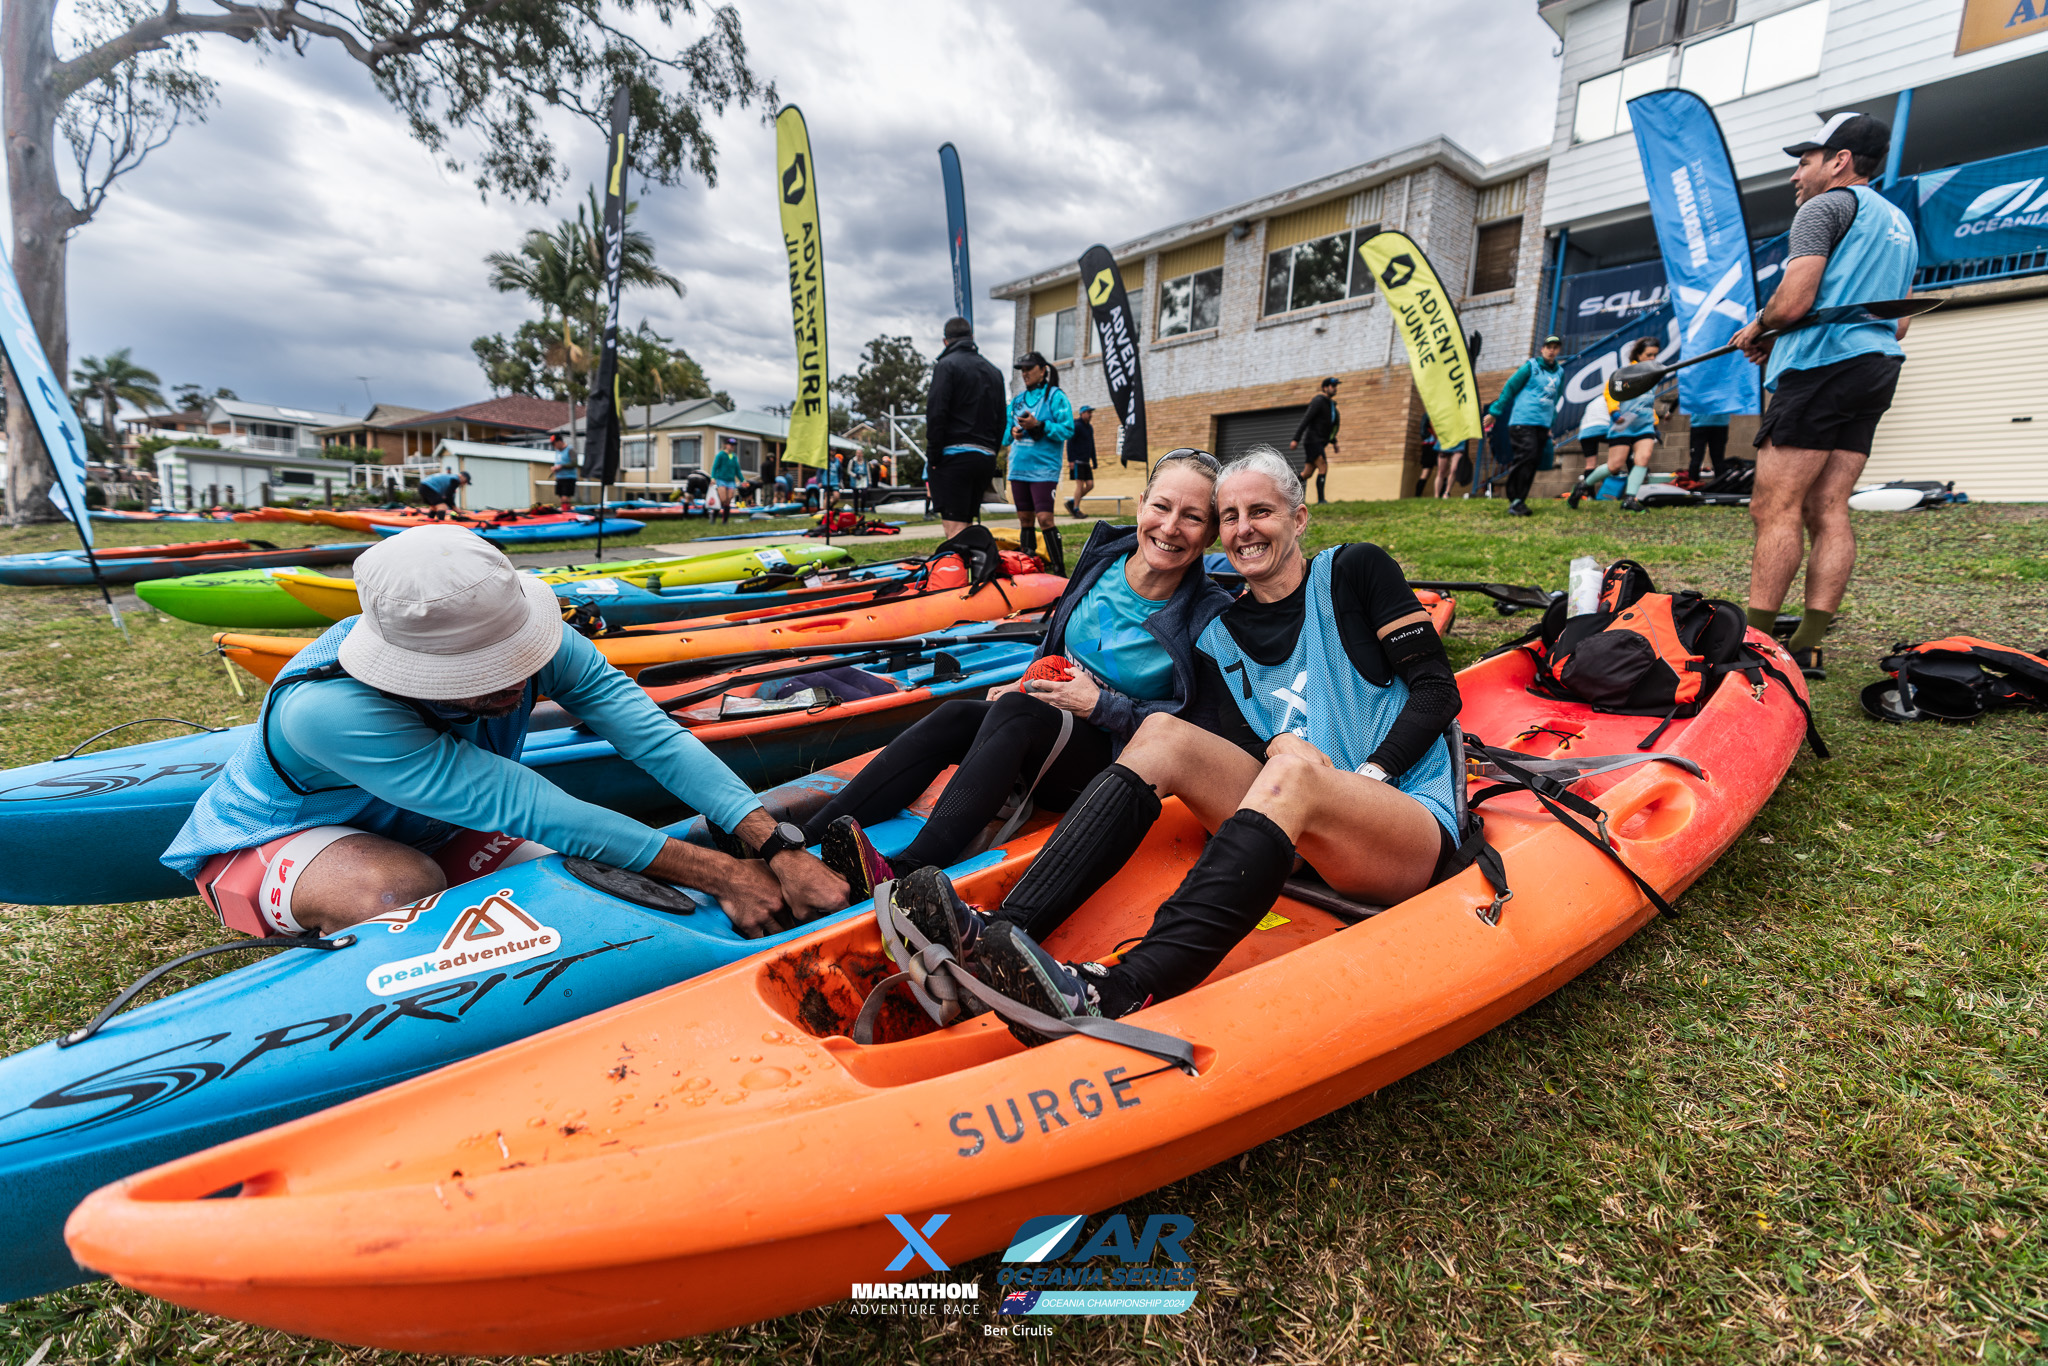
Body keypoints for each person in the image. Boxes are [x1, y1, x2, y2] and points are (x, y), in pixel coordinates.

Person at [891, 447, 1464, 1044]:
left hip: (1402, 823)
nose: (1245, 529)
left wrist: (1366, 777)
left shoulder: (1353, 571)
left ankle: (1118, 989)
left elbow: (1435, 693)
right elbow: (1237, 750)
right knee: (1163, 734)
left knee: (1293, 769)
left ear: (1298, 519)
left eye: (1261, 510)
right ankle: (998, 933)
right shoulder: (1220, 635)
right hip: (1298, 830)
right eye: (1232, 515)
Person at [162, 527, 849, 938]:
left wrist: (775, 844)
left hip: (431, 824)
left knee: (609, 903)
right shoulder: (328, 711)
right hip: (267, 845)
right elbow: (533, 806)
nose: (515, 681)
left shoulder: (531, 636)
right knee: (397, 891)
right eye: (483, 671)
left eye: (516, 657)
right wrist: (727, 873)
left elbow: (651, 735)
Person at [804, 451, 1230, 890]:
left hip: (1114, 762)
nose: (1171, 526)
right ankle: (807, 837)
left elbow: (1197, 737)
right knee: (957, 715)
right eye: (1162, 506)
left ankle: (910, 870)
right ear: (1142, 505)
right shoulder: (1104, 555)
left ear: (1212, 532)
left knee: (1018, 714)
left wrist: (1101, 705)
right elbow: (1053, 643)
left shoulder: (1209, 615)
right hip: (1047, 725)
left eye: (1193, 516)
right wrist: (1023, 680)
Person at [1730, 112, 1918, 679]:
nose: (1795, 175)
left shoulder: (1826, 207)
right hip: (1876, 365)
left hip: (1821, 368)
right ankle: (1808, 643)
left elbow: (1792, 301)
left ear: (1839, 162)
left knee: (1775, 506)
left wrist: (1762, 325)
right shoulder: (1900, 224)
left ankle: (1758, 643)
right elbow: (1899, 322)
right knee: (1828, 506)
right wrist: (1783, 333)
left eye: (1805, 160)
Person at [924, 316, 1007, 539]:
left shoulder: (946, 365)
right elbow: (1002, 420)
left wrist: (933, 459)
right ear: (972, 338)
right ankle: (972, 573)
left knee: (955, 529)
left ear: (945, 341)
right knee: (967, 525)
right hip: (985, 457)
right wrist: (991, 452)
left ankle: (958, 573)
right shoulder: (994, 371)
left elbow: (936, 413)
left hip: (954, 457)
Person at [1568, 337, 1669, 509]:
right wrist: (1614, 412)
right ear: (1638, 355)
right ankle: (1582, 487)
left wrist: (1655, 421)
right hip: (1624, 423)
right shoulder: (1625, 373)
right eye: (1648, 355)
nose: (1652, 359)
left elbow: (1647, 400)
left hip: (1644, 423)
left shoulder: (1655, 373)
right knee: (1614, 465)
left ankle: (1630, 499)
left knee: (1642, 459)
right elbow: (1610, 392)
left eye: (1655, 355)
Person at [1006, 351, 1075, 574]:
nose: (1024, 373)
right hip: (1018, 468)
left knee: (1045, 519)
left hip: (1044, 470)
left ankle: (1060, 571)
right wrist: (1013, 431)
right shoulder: (1017, 401)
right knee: (1025, 519)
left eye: (1029, 369)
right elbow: (1004, 435)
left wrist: (1040, 425)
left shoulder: (1055, 397)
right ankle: (1029, 569)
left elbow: (1067, 429)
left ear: (1042, 370)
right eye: (1022, 370)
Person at [1482, 335, 1566, 518]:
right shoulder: (1531, 367)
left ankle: (1520, 499)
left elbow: (1556, 399)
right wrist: (1495, 412)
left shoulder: (1560, 372)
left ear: (1558, 350)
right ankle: (1515, 499)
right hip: (1523, 421)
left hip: (1542, 425)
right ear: (1542, 349)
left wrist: (1550, 424)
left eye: (1556, 347)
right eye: (1548, 346)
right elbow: (1510, 387)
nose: (1552, 350)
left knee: (1533, 461)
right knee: (1525, 456)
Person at [1288, 377, 1340, 504]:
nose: (1335, 388)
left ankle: (1286, 489)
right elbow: (1306, 419)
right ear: (1325, 387)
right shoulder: (1318, 401)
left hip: (1319, 441)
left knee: (1307, 473)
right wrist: (1296, 439)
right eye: (1332, 386)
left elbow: (1329, 427)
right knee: (1323, 466)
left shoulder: (1331, 405)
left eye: (1336, 386)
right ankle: (1321, 500)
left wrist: (1334, 442)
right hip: (1313, 441)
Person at [1566, 398, 1611, 502]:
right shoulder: (1615, 398)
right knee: (1621, 454)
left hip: (1585, 430)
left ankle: (1590, 496)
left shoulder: (1594, 401)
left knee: (1590, 464)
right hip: (1603, 427)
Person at [1064, 405, 1098, 516]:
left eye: (1091, 413)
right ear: (1082, 413)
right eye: (1088, 412)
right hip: (1077, 461)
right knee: (1080, 485)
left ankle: (1072, 502)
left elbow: (1092, 444)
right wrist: (1071, 460)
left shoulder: (1089, 427)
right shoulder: (1077, 425)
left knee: (1090, 485)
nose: (1090, 415)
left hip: (1086, 461)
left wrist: (1094, 460)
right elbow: (1069, 443)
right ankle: (1076, 509)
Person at [1686, 411, 1730, 485]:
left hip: (1700, 423)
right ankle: (1721, 485)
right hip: (1720, 422)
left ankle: (1692, 484)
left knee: (1696, 458)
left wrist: (1670, 411)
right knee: (1718, 459)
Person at [710, 436, 743, 523]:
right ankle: (713, 517)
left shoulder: (734, 457)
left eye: (734, 445)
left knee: (729, 499)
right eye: (730, 444)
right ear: (726, 445)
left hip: (731, 480)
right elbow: (715, 467)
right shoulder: (721, 455)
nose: (732, 446)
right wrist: (713, 477)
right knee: (723, 499)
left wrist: (743, 480)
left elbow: (737, 471)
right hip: (721, 479)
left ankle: (725, 521)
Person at [548, 435, 577, 510]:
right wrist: (554, 468)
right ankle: (567, 510)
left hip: (569, 477)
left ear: (560, 442)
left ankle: (565, 513)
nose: (554, 446)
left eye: (555, 444)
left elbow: (575, 463)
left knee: (565, 497)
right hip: (559, 477)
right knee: (561, 497)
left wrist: (562, 466)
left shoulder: (570, 450)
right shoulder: (557, 451)